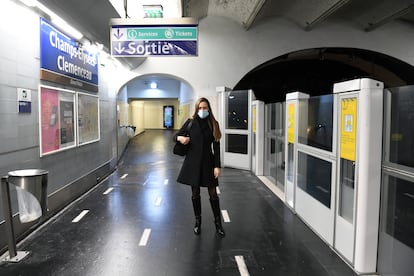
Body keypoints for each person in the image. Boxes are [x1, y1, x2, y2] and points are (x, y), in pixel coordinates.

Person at [174, 97, 225, 237]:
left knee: (213, 193)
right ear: (196, 109)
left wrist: (217, 166)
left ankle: (218, 224)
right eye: (200, 108)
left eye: (205, 108)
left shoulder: (213, 124)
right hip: (193, 164)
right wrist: (181, 138)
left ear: (209, 109)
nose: (203, 110)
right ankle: (198, 222)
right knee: (195, 194)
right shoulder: (190, 123)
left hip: (208, 163)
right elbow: (176, 136)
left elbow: (217, 147)